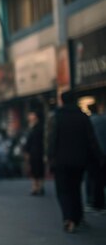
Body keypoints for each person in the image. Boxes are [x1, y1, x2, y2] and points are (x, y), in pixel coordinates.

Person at [47, 91, 100, 233]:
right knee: (75, 189)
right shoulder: (83, 117)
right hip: (79, 160)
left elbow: (52, 139)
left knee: (63, 190)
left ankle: (68, 218)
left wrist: (50, 157)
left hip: (61, 161)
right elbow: (91, 140)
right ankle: (77, 217)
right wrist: (97, 157)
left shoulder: (56, 117)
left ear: (61, 101)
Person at [24, 110, 45, 196]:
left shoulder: (38, 128)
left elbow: (32, 141)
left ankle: (37, 187)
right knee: (36, 170)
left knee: (37, 170)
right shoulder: (34, 127)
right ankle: (38, 187)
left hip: (37, 151)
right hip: (35, 151)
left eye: (31, 114)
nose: (29, 116)